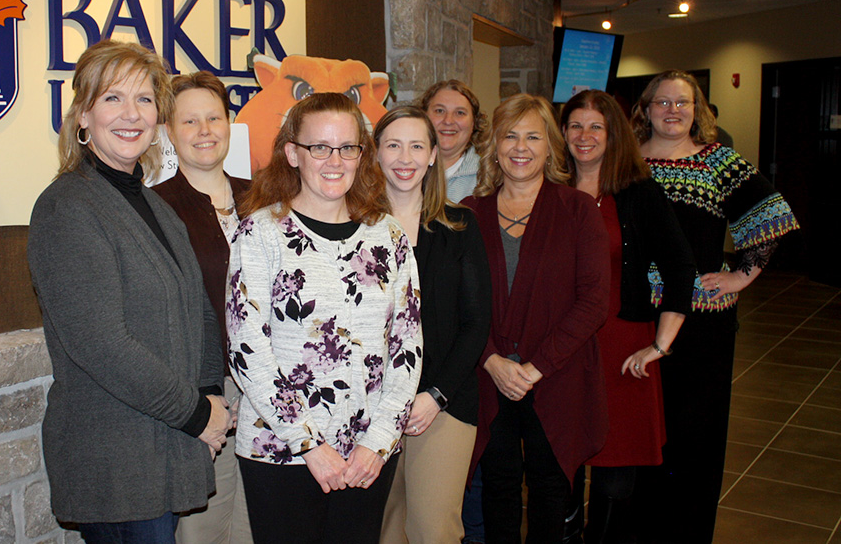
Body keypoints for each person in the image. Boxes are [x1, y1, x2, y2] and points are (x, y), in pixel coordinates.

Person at [27, 41, 232, 543]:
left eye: (143, 100)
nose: (131, 114)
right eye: (113, 99)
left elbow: (200, 313)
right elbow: (101, 345)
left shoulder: (155, 206)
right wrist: (196, 414)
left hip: (165, 444)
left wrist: (209, 396)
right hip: (114, 458)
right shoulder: (67, 208)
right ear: (83, 115)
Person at [227, 92, 423, 544]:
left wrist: (378, 442)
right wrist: (310, 445)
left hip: (366, 455)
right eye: (320, 147)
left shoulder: (388, 235)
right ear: (293, 153)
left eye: (347, 147)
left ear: (361, 154)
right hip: (281, 453)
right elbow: (246, 349)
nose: (334, 160)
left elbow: (407, 348)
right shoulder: (260, 232)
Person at [628, 70, 798, 543]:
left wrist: (743, 274)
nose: (673, 111)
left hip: (701, 325)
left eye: (682, 103)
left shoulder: (718, 161)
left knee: (693, 435)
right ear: (645, 109)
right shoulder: (625, 163)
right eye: (662, 102)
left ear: (697, 109)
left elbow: (772, 215)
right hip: (635, 317)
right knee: (640, 430)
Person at [461, 93, 610, 544]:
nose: (520, 146)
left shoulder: (578, 209)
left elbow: (594, 300)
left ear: (550, 147)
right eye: (510, 135)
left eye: (533, 136)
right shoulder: (470, 212)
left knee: (552, 489)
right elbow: (457, 303)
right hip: (491, 378)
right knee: (499, 489)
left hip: (557, 375)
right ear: (494, 146)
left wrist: (535, 367)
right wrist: (491, 361)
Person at [559, 90, 697, 544]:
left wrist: (661, 344)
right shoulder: (548, 191)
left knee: (616, 479)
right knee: (561, 469)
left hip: (623, 347)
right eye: (575, 125)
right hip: (562, 349)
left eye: (596, 126)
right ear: (563, 133)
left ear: (613, 133)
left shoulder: (638, 192)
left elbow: (680, 266)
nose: (585, 136)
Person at [373, 106, 492, 544]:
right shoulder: (353, 227)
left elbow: (476, 323)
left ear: (431, 156)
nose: (404, 157)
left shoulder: (461, 226)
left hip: (443, 401)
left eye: (416, 146)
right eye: (393, 145)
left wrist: (434, 396)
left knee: (432, 530)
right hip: (369, 407)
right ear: (376, 155)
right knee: (382, 530)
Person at [153, 71, 252, 544]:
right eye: (189, 121)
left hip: (274, 388)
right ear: (168, 131)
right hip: (207, 390)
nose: (205, 130)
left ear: (230, 122)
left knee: (263, 523)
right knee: (204, 528)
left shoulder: (267, 196)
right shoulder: (155, 208)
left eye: (214, 117)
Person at [420, 80, 489, 203]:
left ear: (474, 123)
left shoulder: (487, 177)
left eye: (460, 113)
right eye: (439, 111)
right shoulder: (404, 169)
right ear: (423, 117)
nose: (448, 121)